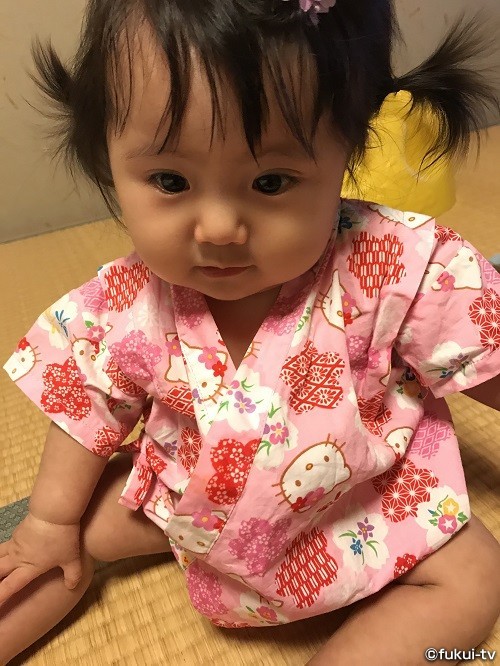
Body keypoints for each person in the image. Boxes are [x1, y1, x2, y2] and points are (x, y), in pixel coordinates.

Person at [1, 1, 499, 663]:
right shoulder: (124, 300)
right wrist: (50, 520)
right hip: (193, 506)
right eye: (170, 180)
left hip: (364, 501)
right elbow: (85, 401)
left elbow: (477, 347)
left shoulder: (394, 261)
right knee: (54, 545)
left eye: (270, 181)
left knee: (474, 578)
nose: (218, 228)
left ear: (349, 149)